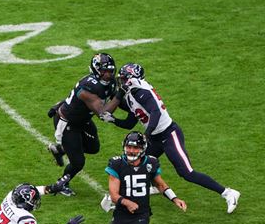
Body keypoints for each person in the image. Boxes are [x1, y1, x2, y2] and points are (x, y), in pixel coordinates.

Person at [101, 62, 240, 213]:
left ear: (131, 79)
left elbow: (156, 113)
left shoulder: (142, 92)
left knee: (186, 172)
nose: (120, 82)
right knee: (134, 164)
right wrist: (114, 120)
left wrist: (145, 136)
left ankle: (228, 193)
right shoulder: (131, 94)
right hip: (155, 136)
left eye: (123, 79)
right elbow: (130, 122)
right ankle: (131, 194)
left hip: (168, 134)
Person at [45, 52, 118, 196]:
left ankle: (60, 150)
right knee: (78, 162)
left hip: (83, 120)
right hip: (68, 123)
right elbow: (103, 113)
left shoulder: (110, 82)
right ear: (96, 70)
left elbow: (114, 99)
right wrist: (120, 95)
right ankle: (62, 184)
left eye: (110, 70)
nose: (108, 74)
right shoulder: (88, 88)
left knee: (93, 147)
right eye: (105, 71)